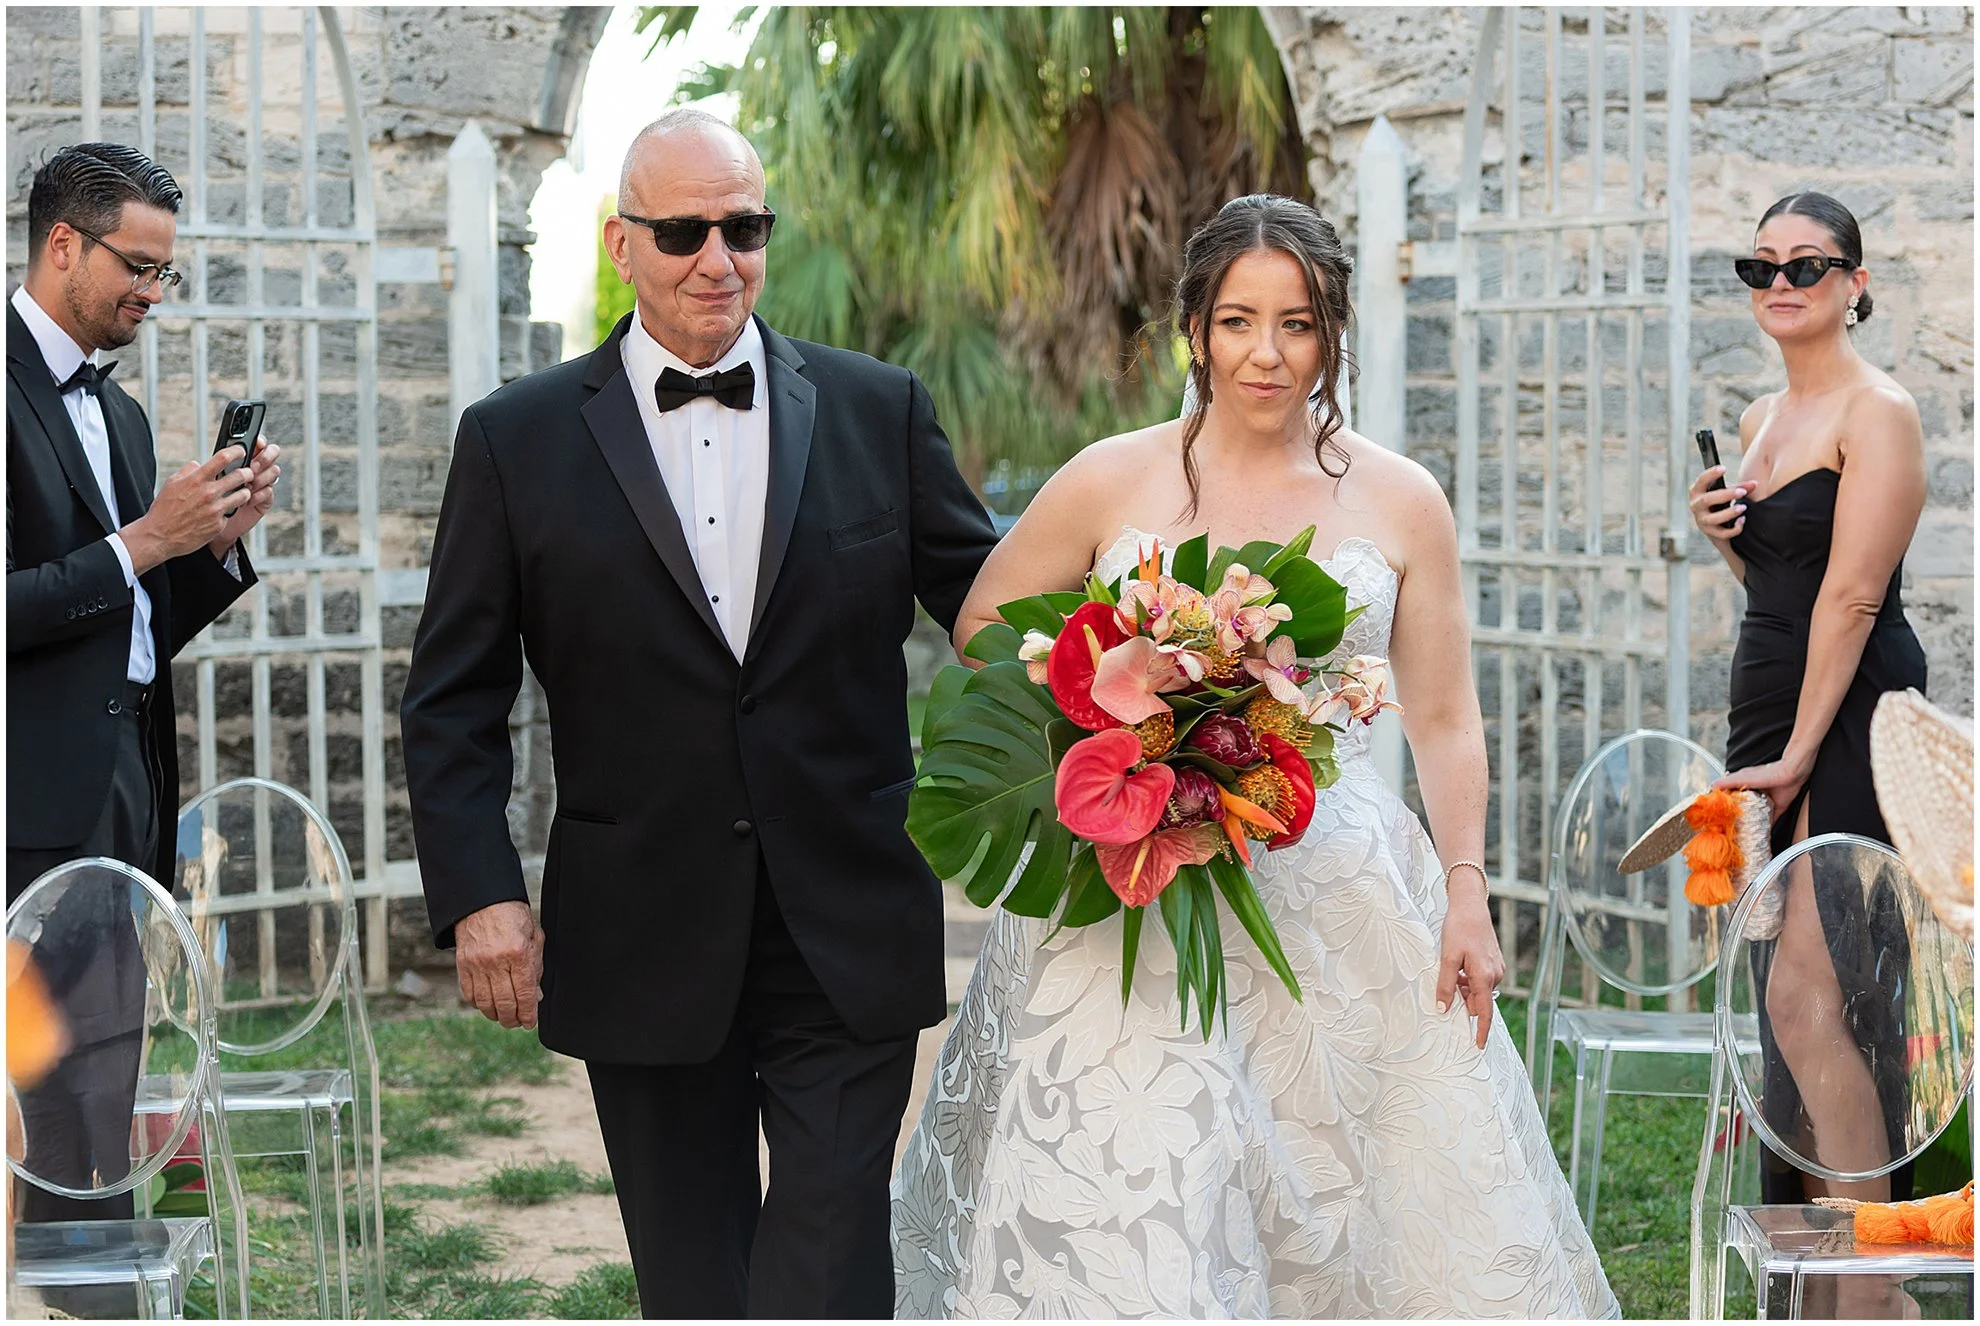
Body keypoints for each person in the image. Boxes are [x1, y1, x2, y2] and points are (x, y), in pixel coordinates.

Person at [891, 194, 1617, 1318]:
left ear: (1332, 334)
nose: (1266, 354)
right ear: (1194, 330)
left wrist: (1466, 890)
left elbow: (1444, 715)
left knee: (1342, 1215)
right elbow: (986, 621)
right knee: (1146, 1196)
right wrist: (1119, 706)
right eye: (1237, 321)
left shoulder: (1402, 498)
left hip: (1340, 893)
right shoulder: (1109, 478)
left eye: (1298, 323)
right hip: (1134, 890)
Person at [400, 109, 998, 1318]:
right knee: (691, 1280)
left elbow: (991, 614)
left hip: (847, 911)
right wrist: (481, 896)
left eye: (744, 227)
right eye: (684, 232)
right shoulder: (513, 442)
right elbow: (455, 694)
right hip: (640, 923)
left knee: (827, 1268)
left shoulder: (878, 407)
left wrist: (1160, 681)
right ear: (622, 245)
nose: (718, 257)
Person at [6, 142, 279, 1234]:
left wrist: (207, 547)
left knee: (97, 1093)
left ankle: (97, 1293)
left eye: (168, 273)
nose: (154, 294)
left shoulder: (117, 416)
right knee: (27, 1102)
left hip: (122, 791)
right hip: (18, 809)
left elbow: (127, 631)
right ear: (62, 243)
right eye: (140, 267)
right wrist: (140, 540)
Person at [1691, 193, 1927, 1303]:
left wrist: (1794, 756)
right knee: (1793, 996)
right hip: (1774, 708)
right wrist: (1725, 540)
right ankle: (1829, 1265)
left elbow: (1851, 599)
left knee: (1816, 992)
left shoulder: (1879, 412)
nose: (1780, 283)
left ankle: (1871, 1286)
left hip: (1843, 714)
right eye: (1760, 266)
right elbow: (1782, 585)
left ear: (1855, 285)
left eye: (1807, 265)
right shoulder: (1756, 422)